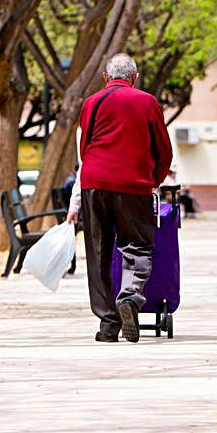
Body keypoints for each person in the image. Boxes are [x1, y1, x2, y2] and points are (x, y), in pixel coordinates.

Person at [66, 53, 173, 343]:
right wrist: (155, 180)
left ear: (105, 77)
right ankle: (128, 297)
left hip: (94, 183)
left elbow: (85, 145)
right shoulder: (147, 102)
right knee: (137, 245)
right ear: (134, 78)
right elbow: (164, 149)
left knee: (98, 251)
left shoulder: (91, 103)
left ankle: (108, 324)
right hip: (132, 184)